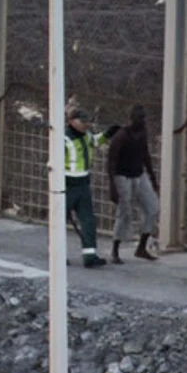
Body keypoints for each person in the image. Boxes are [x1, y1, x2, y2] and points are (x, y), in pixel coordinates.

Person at [62, 106, 119, 269]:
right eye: (82, 121)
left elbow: (95, 141)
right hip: (67, 184)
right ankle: (58, 254)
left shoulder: (86, 136)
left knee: (88, 221)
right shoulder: (64, 139)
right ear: (72, 121)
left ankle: (90, 255)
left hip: (83, 183)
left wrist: (108, 134)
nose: (85, 125)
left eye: (87, 121)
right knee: (60, 221)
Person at [106, 104, 161, 264]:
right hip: (122, 175)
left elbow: (145, 155)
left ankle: (142, 247)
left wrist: (152, 178)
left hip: (139, 174)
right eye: (139, 118)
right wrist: (113, 186)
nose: (143, 121)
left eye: (144, 118)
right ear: (131, 119)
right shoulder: (121, 136)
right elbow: (111, 162)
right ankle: (115, 249)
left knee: (152, 208)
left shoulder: (142, 133)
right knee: (124, 212)